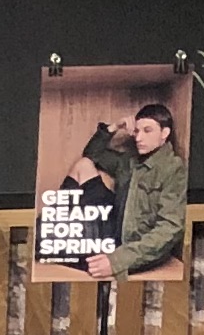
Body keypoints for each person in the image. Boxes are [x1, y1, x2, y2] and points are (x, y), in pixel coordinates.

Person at [77, 99, 187, 279]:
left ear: (164, 133)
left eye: (147, 131)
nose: (138, 137)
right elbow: (91, 154)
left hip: (139, 250)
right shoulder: (129, 161)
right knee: (83, 165)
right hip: (113, 237)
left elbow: (170, 228)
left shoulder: (172, 168)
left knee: (88, 269)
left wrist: (118, 260)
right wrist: (114, 127)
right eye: (136, 131)